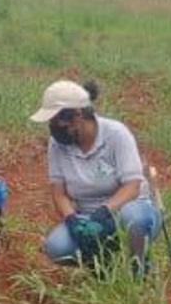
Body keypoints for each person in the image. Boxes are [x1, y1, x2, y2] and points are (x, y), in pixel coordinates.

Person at [30, 79, 161, 276]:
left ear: (77, 115)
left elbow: (132, 186)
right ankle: (102, 264)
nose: (53, 127)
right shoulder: (57, 145)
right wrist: (72, 220)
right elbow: (59, 194)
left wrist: (104, 212)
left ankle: (139, 270)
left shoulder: (116, 134)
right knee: (57, 247)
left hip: (127, 209)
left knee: (134, 219)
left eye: (57, 121)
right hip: (86, 217)